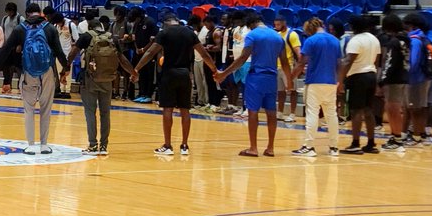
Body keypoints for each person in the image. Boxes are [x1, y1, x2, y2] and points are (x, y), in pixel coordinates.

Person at [134, 13, 217, 157]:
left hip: (169, 74)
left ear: (166, 22)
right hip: (185, 74)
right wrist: (215, 70)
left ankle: (168, 145)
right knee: (185, 110)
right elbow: (204, 54)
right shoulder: (189, 33)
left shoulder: (164, 33)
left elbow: (150, 52)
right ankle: (184, 145)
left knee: (168, 109)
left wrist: (136, 69)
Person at [215, 11, 292, 157]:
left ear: (250, 24)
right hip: (272, 78)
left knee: (253, 111)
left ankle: (253, 147)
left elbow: (243, 58)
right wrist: (289, 81)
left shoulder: (252, 35)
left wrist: (224, 74)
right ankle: (270, 148)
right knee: (271, 112)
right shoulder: (277, 36)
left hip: (256, 77)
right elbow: (285, 62)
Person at [0, 2, 66, 155]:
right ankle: (44, 145)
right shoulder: (49, 28)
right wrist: (65, 69)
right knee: (45, 109)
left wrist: (1, 66)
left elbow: (6, 49)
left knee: (29, 109)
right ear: (40, 12)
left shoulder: (20, 28)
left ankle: (30, 145)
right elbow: (58, 51)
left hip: (28, 72)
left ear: (27, 13)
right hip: (47, 71)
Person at [70, 16, 137, 156]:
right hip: (108, 79)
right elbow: (122, 59)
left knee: (90, 112)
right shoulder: (112, 38)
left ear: (89, 27)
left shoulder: (87, 36)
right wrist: (133, 72)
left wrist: (64, 69)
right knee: (105, 113)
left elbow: (73, 52)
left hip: (90, 79)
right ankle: (104, 145)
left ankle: (93, 145)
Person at [291, 18, 342, 157]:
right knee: (331, 115)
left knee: (312, 113)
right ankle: (334, 147)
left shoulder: (311, 41)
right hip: (331, 81)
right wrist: (340, 81)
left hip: (314, 81)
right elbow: (340, 63)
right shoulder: (335, 41)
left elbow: (301, 63)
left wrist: (290, 78)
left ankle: (309, 146)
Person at [341, 15, 382, 155]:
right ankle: (371, 143)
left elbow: (348, 62)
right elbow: (377, 62)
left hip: (358, 77)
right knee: (368, 110)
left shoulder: (356, 40)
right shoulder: (374, 39)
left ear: (353, 27)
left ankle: (355, 143)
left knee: (355, 111)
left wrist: (340, 80)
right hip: (371, 74)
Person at [403, 11, 432, 147]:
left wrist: (405, 74)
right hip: (425, 78)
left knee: (415, 109)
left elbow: (413, 62)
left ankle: (416, 137)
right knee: (421, 107)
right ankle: (421, 135)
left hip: (416, 79)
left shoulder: (415, 40)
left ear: (411, 25)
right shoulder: (425, 38)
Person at [377, 12, 410, 152]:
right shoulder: (405, 40)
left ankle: (397, 138)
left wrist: (382, 81)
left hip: (394, 79)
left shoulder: (393, 43)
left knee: (393, 109)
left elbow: (389, 63)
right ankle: (396, 136)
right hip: (404, 77)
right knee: (396, 109)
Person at [274, 14, 302, 123]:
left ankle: (292, 114)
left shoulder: (292, 34)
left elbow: (298, 52)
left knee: (292, 91)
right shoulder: (277, 35)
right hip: (277, 66)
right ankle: (280, 113)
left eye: (278, 24)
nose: (276, 26)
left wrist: (299, 67)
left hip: (289, 67)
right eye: (275, 24)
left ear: (284, 23)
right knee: (280, 92)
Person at [46, 8, 74, 98]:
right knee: (59, 72)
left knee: (67, 73)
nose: (57, 24)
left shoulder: (71, 24)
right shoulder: (56, 26)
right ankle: (62, 91)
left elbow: (76, 40)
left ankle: (67, 91)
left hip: (69, 52)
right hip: (59, 52)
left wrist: (72, 53)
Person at [0, 3, 22, 94]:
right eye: (8, 11)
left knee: (18, 67)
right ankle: (7, 86)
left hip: (16, 47)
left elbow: (23, 32)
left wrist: (20, 44)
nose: (9, 13)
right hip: (7, 46)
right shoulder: (5, 19)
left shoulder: (20, 18)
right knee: (7, 68)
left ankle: (21, 87)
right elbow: (2, 31)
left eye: (11, 11)